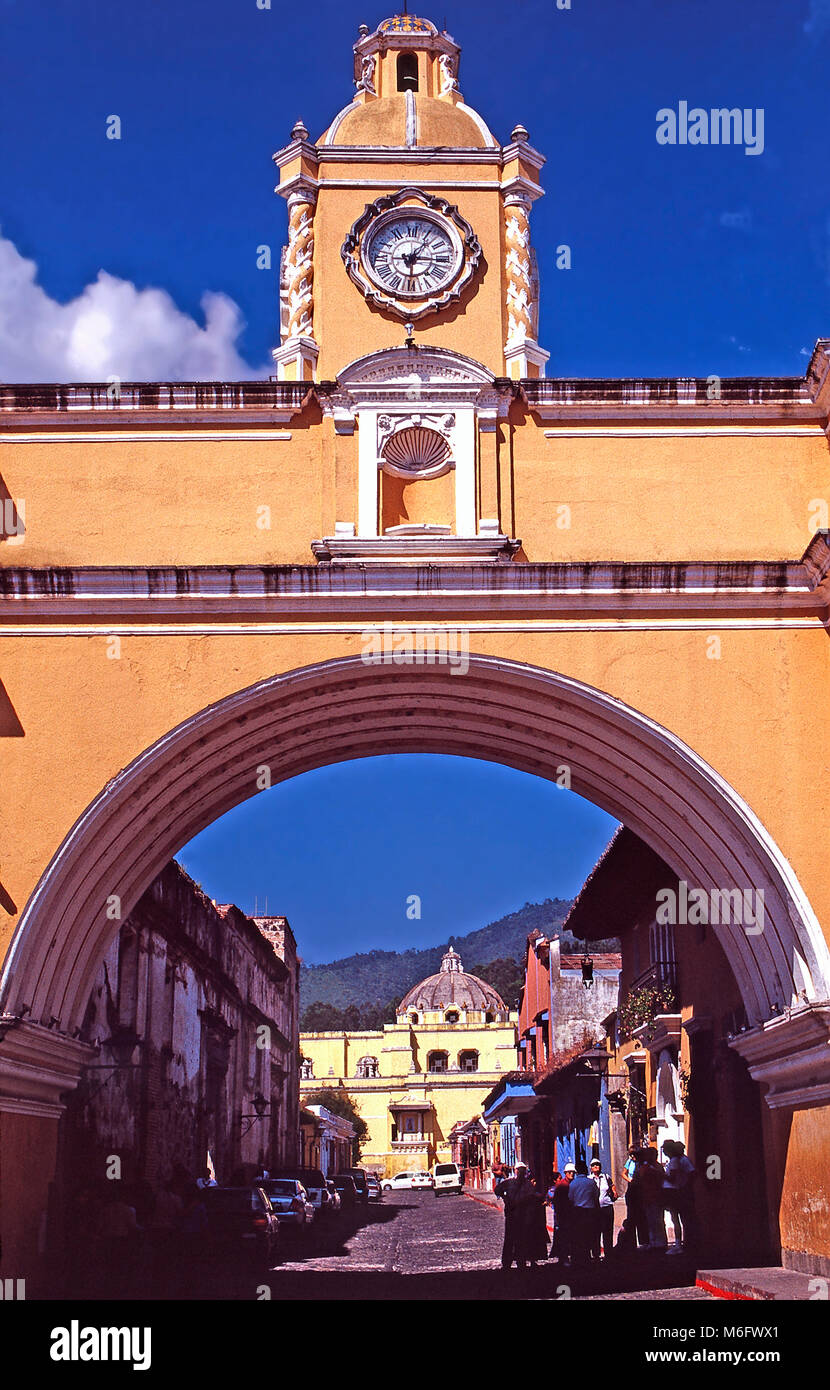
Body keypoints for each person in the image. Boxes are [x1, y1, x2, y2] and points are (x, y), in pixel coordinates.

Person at [495, 1162, 539, 1271]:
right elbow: (497, 1190)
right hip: (514, 1216)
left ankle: (517, 1262)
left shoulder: (526, 1184)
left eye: (522, 1170)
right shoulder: (510, 1183)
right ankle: (510, 1262)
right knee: (513, 1239)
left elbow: (532, 1197)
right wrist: (505, 1197)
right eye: (519, 1170)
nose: (520, 1172)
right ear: (516, 1171)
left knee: (518, 1239)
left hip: (521, 1216)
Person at [632, 1147, 667, 1251]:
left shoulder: (652, 1167)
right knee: (652, 1220)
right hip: (648, 1196)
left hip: (654, 1196)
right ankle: (654, 1241)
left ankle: (659, 1242)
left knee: (657, 1220)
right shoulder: (651, 1167)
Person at [663, 1140, 696, 1251]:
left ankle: (679, 1243)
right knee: (681, 1218)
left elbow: (674, 1177)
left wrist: (662, 1175)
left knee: (678, 1218)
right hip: (678, 1191)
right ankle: (684, 1242)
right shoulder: (678, 1160)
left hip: (676, 1192)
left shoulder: (678, 1161)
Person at [567, 1162, 600, 1267]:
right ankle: (592, 1256)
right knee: (590, 1235)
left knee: (579, 1236)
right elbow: (596, 1196)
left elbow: (570, 1199)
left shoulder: (573, 1184)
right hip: (590, 1211)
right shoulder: (591, 1183)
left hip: (578, 1212)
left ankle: (581, 1258)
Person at [589, 1158, 617, 1258]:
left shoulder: (606, 1176)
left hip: (607, 1207)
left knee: (608, 1231)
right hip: (595, 1209)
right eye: (593, 1165)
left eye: (597, 1164)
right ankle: (596, 1254)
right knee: (596, 1231)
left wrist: (614, 1192)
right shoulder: (589, 1179)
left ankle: (608, 1253)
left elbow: (612, 1185)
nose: (596, 1166)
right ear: (590, 1168)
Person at [549, 1167, 573, 1264]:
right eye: (569, 1172)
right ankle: (563, 1257)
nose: (571, 1174)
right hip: (563, 1214)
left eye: (573, 1172)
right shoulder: (561, 1185)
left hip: (572, 1214)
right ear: (565, 1173)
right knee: (563, 1236)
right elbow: (556, 1201)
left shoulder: (574, 1184)